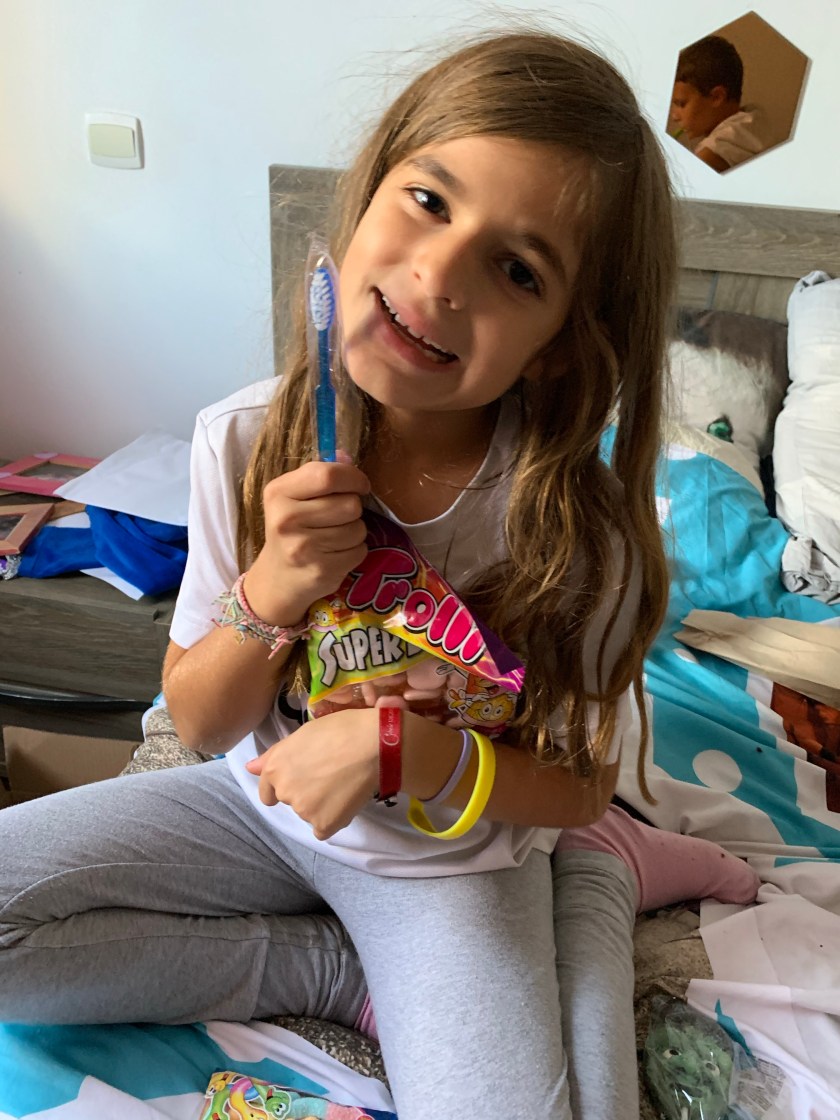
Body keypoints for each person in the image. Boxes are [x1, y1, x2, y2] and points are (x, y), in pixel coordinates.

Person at [0, 29, 759, 1120]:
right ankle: (331, 974)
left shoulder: (576, 529)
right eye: (428, 201)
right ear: (365, 199)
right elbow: (199, 723)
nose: (436, 275)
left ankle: (599, 874)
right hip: (259, 814)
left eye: (517, 269)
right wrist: (273, 588)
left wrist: (413, 750)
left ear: (555, 342)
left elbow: (579, 781)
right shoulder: (240, 441)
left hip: (453, 866)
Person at [670, 35, 770, 172]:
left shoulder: (710, 157)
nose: (674, 116)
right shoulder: (753, 122)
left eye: (681, 104)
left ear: (717, 97)